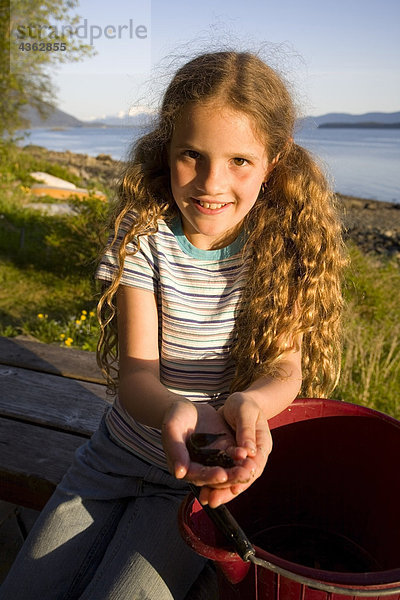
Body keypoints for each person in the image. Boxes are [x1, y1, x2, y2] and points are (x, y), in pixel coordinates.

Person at [0, 50, 346, 600]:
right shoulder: (142, 237)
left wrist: (250, 406)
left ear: (273, 162)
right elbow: (139, 375)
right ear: (167, 148)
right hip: (115, 455)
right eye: (193, 155)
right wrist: (173, 409)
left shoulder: (284, 249)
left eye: (240, 161)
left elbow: (286, 365)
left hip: (204, 481)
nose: (212, 183)